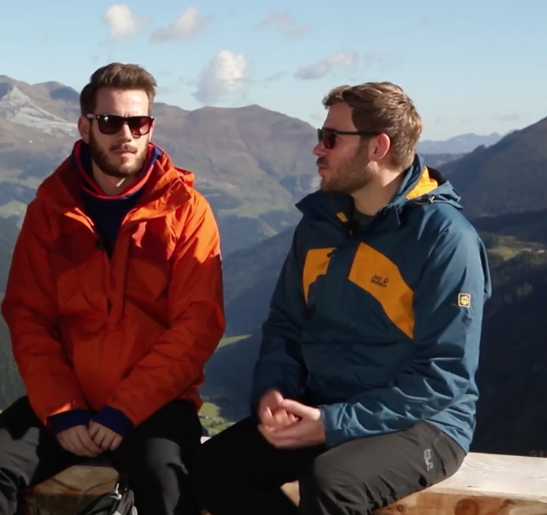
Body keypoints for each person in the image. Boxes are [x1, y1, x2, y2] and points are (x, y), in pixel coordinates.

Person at [191, 82, 492, 514]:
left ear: (378, 147)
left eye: (331, 138)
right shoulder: (321, 222)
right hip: (325, 404)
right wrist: (273, 389)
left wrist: (333, 424)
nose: (318, 149)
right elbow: (285, 325)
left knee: (334, 482)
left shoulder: (444, 239)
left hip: (426, 423)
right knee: (212, 468)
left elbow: (445, 375)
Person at [0, 63, 225, 515]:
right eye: (110, 122)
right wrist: (63, 410)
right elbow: (28, 316)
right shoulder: (50, 209)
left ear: (150, 126)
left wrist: (125, 410)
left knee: (166, 476)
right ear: (85, 127)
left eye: (137, 122)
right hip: (68, 402)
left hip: (156, 404)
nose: (126, 135)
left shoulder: (187, 211)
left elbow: (197, 325)